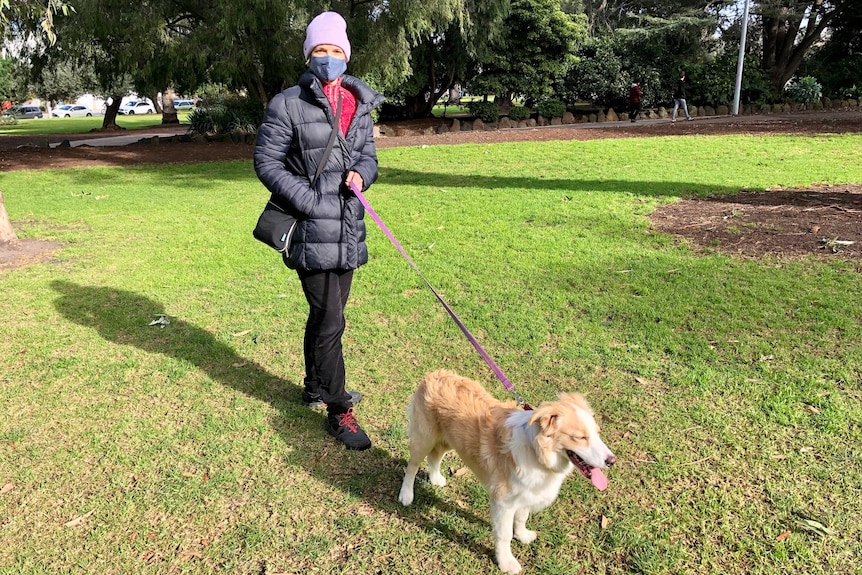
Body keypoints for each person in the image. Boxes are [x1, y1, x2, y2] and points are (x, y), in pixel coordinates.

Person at [254, 11, 384, 451]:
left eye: (335, 50)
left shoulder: (358, 102)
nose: (327, 58)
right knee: (331, 320)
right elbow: (266, 163)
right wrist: (309, 203)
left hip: (348, 228)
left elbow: (368, 156)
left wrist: (362, 176)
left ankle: (314, 385)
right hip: (310, 231)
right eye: (319, 50)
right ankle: (338, 408)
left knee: (327, 316)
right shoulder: (287, 102)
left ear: (345, 55)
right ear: (308, 55)